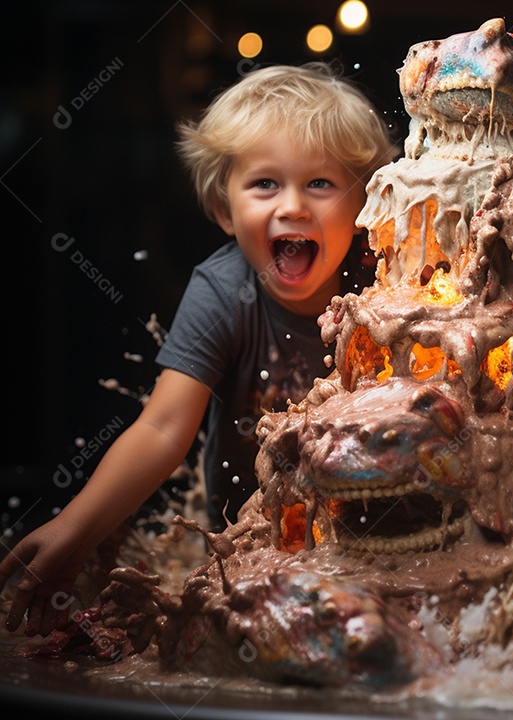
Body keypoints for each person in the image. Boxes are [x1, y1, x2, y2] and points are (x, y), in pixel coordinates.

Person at [1, 63, 393, 636]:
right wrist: (75, 530)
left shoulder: (386, 286)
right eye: (265, 183)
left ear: (363, 209)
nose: (293, 207)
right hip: (248, 544)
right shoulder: (224, 291)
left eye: (321, 184)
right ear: (222, 210)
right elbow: (162, 428)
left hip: (373, 530)